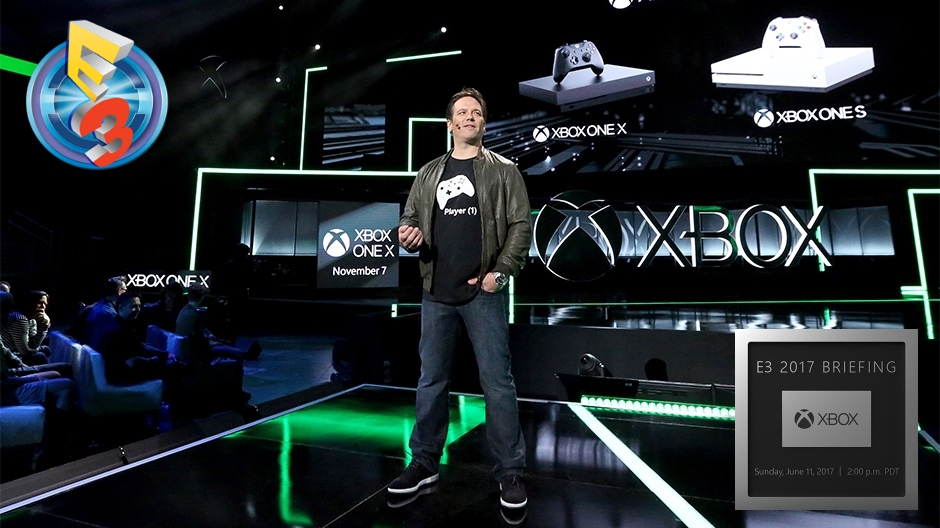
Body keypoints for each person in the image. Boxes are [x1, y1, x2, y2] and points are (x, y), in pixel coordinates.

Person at [388, 87, 531, 509]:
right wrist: (407, 235)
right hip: (436, 293)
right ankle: (424, 462)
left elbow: (520, 225)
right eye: (462, 112)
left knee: (497, 384)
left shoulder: (504, 171)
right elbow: (410, 219)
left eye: (477, 112)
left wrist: (500, 274)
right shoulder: (428, 172)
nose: (470, 117)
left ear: (483, 123)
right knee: (431, 381)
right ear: (451, 123)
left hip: (482, 293)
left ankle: (510, 470)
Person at [86, 292, 165, 385]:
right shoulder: (119, 331)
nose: (138, 310)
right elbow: (132, 361)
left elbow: (139, 348)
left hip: (114, 373)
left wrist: (164, 355)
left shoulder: (120, 324)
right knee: (170, 369)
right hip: (117, 377)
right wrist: (155, 360)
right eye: (134, 307)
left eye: (139, 306)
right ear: (120, 308)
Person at [175, 284, 261, 362]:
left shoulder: (182, 311)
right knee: (237, 352)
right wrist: (212, 343)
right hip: (195, 353)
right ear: (202, 297)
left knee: (223, 343)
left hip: (184, 350)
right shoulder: (196, 316)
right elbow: (200, 343)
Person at [1, 290, 53, 365]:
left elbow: (33, 344)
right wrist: (45, 325)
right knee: (41, 356)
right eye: (39, 303)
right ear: (30, 303)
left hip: (18, 353)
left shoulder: (30, 318)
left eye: (45, 304)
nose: (43, 306)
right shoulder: (20, 319)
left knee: (44, 350)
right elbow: (25, 352)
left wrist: (41, 325)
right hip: (12, 359)